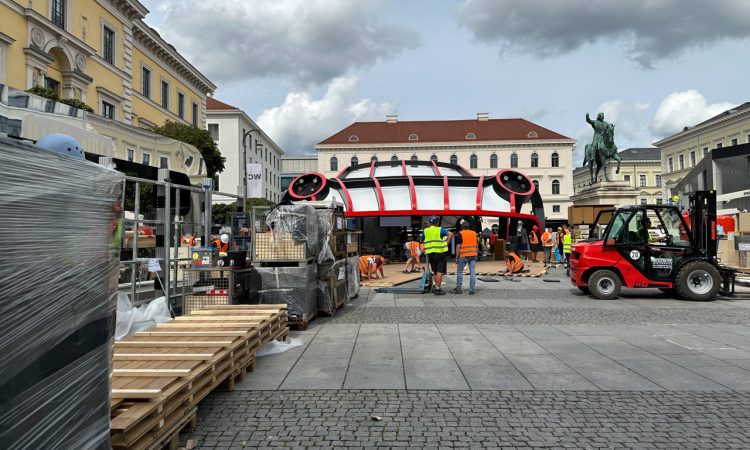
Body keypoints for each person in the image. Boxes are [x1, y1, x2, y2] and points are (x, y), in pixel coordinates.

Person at [422, 215, 453, 296]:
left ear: (430, 222)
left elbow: (422, 240)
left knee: (435, 271)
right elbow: (451, 234)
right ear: (437, 222)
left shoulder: (426, 231)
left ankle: (436, 286)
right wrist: (447, 243)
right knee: (439, 271)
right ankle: (438, 289)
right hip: (440, 252)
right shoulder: (439, 230)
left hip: (430, 253)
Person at [452, 222, 478, 295]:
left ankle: (459, 288)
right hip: (473, 255)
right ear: (469, 227)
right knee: (472, 271)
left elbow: (458, 246)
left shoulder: (461, 233)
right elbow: (476, 245)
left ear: (462, 227)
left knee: (460, 271)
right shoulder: (474, 233)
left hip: (464, 255)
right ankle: (472, 289)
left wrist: (456, 257)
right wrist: (476, 255)